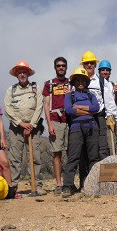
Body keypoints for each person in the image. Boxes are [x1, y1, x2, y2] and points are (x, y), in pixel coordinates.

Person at [4, 60, 45, 195]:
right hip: (16, 128)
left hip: (34, 127)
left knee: (35, 157)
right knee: (15, 157)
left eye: (24, 72)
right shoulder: (11, 90)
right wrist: (21, 123)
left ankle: (37, 185)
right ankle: (13, 187)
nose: (22, 74)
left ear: (28, 73)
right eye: (19, 72)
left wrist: (31, 125)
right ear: (16, 74)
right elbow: (8, 108)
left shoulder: (35, 88)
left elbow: (39, 107)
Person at [62, 68, 100, 198]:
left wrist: (78, 107)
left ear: (86, 81)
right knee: (74, 157)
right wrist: (88, 112)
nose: (80, 82)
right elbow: (68, 110)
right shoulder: (69, 95)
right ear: (73, 82)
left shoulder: (91, 95)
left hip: (92, 127)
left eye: (83, 80)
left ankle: (90, 185)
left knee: (93, 157)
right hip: (76, 128)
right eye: (77, 80)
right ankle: (67, 186)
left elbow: (96, 108)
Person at [81, 51, 117, 159]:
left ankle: (106, 172)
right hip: (83, 117)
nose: (89, 65)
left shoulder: (103, 82)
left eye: (91, 63)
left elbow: (109, 101)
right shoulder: (79, 80)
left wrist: (110, 116)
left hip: (99, 117)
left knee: (103, 146)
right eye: (86, 63)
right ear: (83, 65)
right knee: (87, 147)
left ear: (95, 64)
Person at [43, 57, 69, 194]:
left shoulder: (72, 83)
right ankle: (59, 184)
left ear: (66, 67)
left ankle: (69, 182)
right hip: (55, 120)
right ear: (55, 67)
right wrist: (49, 124)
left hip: (70, 120)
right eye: (58, 65)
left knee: (72, 152)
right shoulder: (49, 84)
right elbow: (46, 105)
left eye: (63, 65)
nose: (61, 67)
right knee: (56, 153)